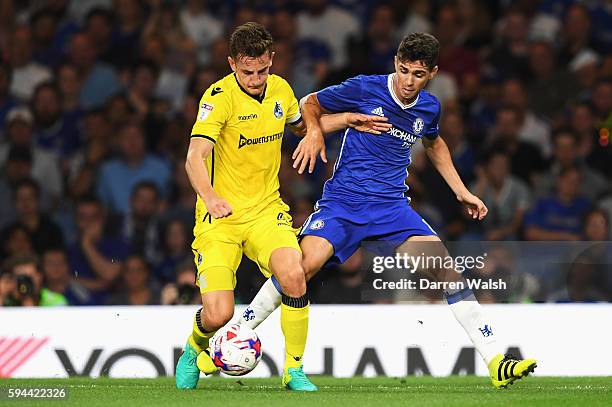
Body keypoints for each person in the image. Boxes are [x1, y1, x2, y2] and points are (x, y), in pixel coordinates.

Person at [238, 33, 537, 389]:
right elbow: (310, 103)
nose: (409, 81)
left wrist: (462, 191)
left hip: (391, 208)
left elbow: (435, 143)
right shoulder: (366, 88)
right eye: (405, 70)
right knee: (300, 269)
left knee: (446, 270)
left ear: (433, 73)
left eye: (419, 74)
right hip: (343, 204)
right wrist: (316, 133)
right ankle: (236, 333)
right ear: (396, 62)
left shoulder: (429, 107)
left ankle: (496, 361)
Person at [175, 22, 389, 391]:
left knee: (294, 274)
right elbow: (195, 157)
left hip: (264, 212)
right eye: (247, 72)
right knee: (219, 313)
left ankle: (293, 370)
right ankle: (194, 348)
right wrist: (210, 197)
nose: (256, 79)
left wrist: (346, 120)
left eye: (262, 70)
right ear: (231, 64)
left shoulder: (281, 90)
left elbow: (300, 128)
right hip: (219, 219)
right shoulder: (218, 98)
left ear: (271, 61)